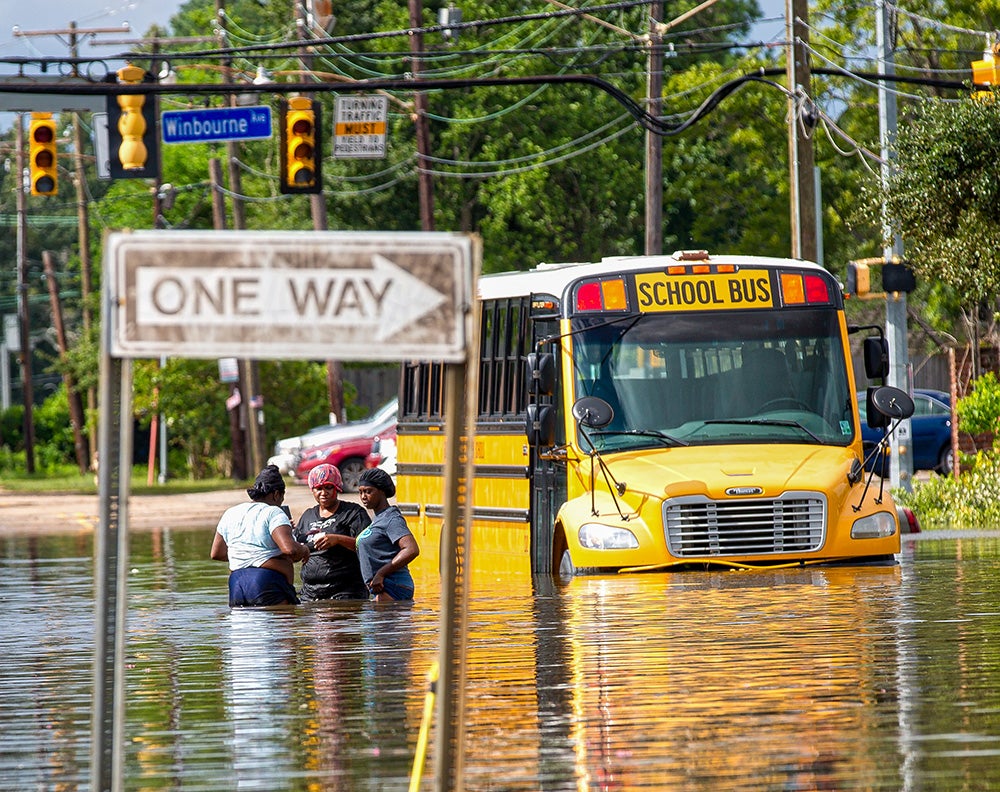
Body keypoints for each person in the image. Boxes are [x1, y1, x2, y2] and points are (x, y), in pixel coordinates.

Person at [210, 464, 310, 607]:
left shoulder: (230, 513)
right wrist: (304, 550)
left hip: (236, 584)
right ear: (276, 494)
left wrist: (247, 557)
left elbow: (216, 553)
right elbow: (290, 550)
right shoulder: (274, 512)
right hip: (266, 582)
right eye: (282, 497)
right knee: (284, 625)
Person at [293, 463, 372, 601]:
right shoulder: (307, 515)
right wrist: (288, 534)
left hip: (346, 593)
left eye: (328, 487)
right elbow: (295, 553)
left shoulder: (353, 513)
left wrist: (338, 540)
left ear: (337, 488)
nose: (323, 493)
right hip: (310, 595)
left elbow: (369, 547)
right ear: (312, 490)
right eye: (318, 488)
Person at [355, 467, 419, 602]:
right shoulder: (379, 518)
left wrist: (381, 573)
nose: (363, 497)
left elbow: (411, 549)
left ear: (382, 491)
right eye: (360, 492)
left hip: (393, 586)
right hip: (383, 587)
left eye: (368, 491)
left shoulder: (392, 519)